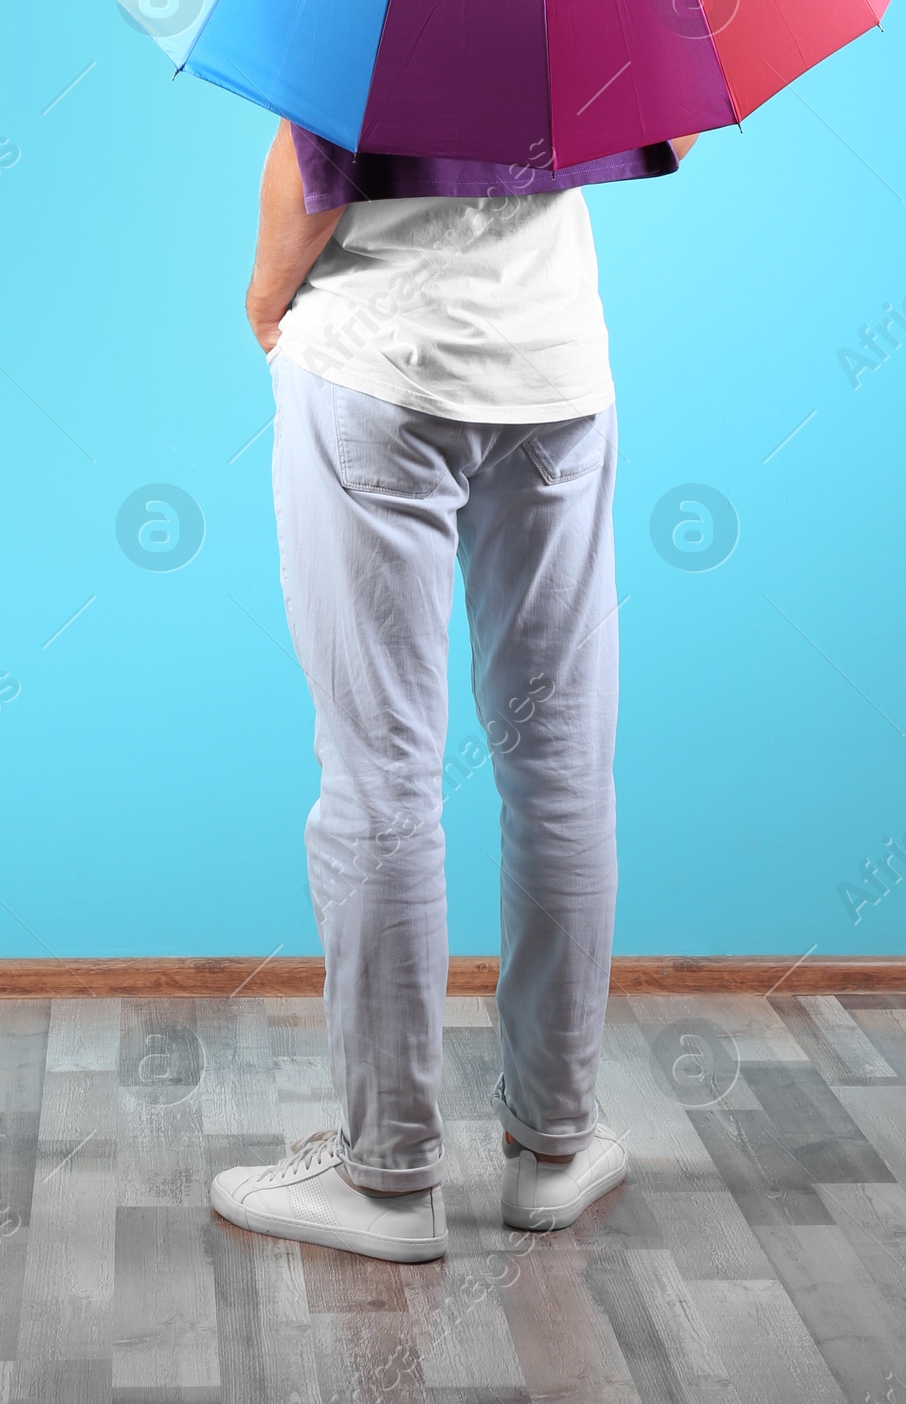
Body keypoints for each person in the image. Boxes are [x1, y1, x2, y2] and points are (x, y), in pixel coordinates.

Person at [209, 119, 698, 1262]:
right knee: (561, 768)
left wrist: (264, 301)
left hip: (380, 367)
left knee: (380, 772)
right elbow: (665, 120)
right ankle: (556, 1146)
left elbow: (308, 168)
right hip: (555, 369)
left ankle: (386, 1178)